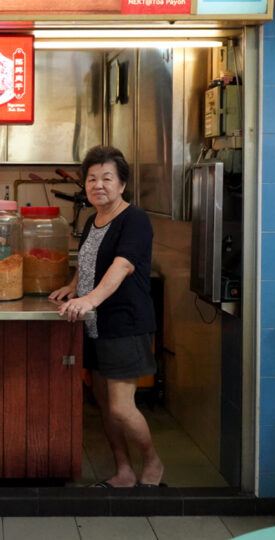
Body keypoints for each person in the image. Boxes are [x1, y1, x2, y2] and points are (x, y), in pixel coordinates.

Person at [50, 145, 165, 488]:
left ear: (122, 184)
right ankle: (125, 471)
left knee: (120, 407)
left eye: (107, 178)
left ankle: (153, 462)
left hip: (124, 324)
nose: (98, 185)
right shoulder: (93, 219)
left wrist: (90, 299)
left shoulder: (135, 219)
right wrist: (73, 286)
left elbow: (122, 265)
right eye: (92, 179)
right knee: (103, 403)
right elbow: (88, 262)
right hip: (94, 326)